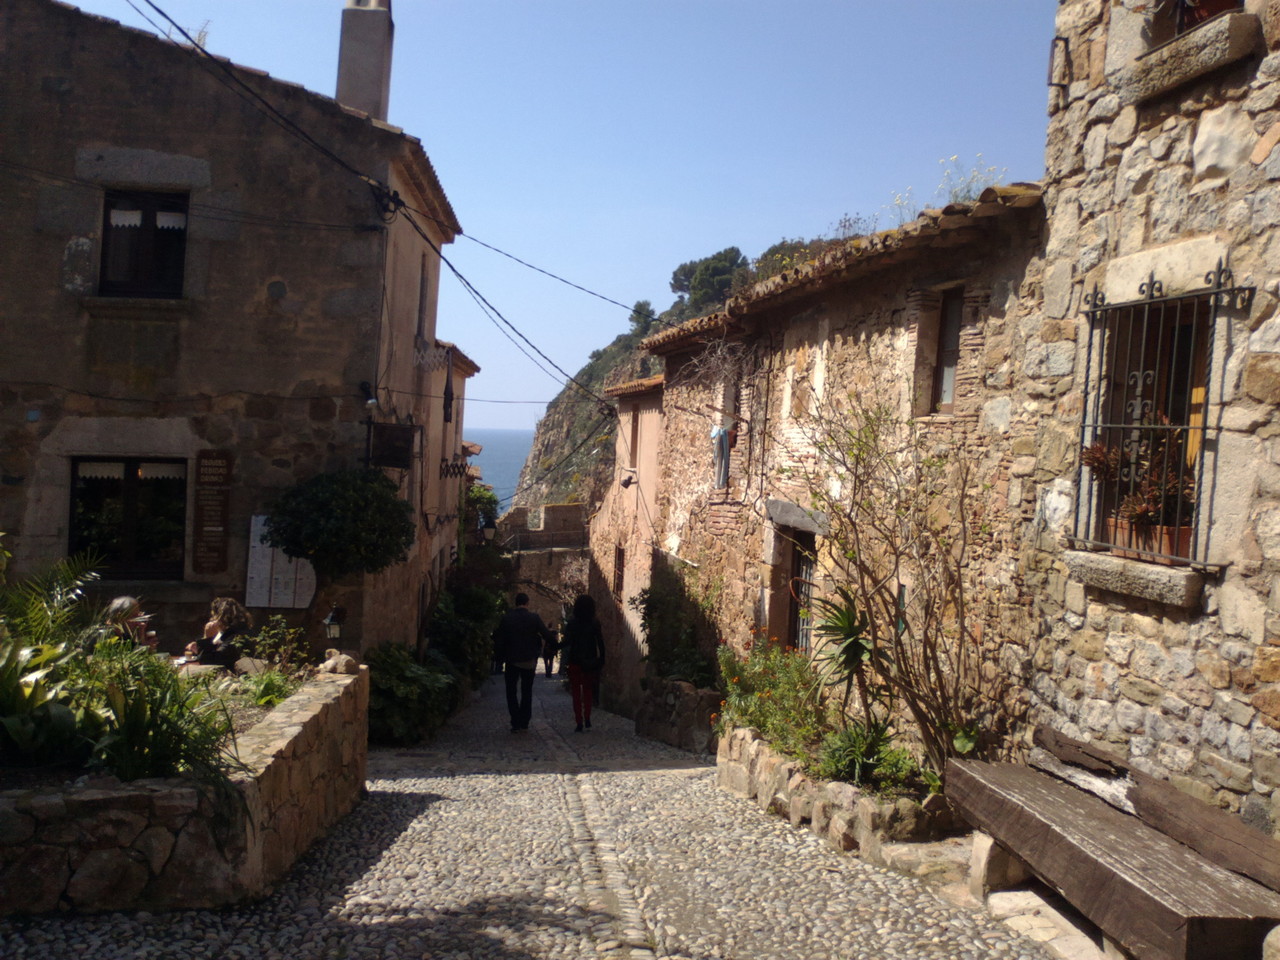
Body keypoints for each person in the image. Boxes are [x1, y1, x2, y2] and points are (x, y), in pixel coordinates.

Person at [491, 592, 553, 732]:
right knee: (527, 691)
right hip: (529, 660)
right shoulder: (534, 618)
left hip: (512, 660)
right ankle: (525, 720)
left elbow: (499, 639)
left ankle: (515, 720)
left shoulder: (507, 618)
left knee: (511, 691)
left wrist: (499, 658)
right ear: (527, 603)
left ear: (516, 603)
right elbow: (546, 634)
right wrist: (558, 645)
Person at [561, 594, 606, 733]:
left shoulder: (572, 623)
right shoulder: (595, 623)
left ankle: (579, 721)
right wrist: (602, 659)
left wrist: (554, 645)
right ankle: (587, 718)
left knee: (575, 692)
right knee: (587, 690)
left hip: (575, 660)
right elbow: (600, 642)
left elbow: (567, 642)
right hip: (590, 661)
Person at [184, 597, 252, 669]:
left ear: (221, 617)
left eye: (214, 616)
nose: (212, 619)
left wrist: (207, 638)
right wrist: (199, 646)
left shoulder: (235, 637)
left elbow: (208, 663)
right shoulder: (235, 630)